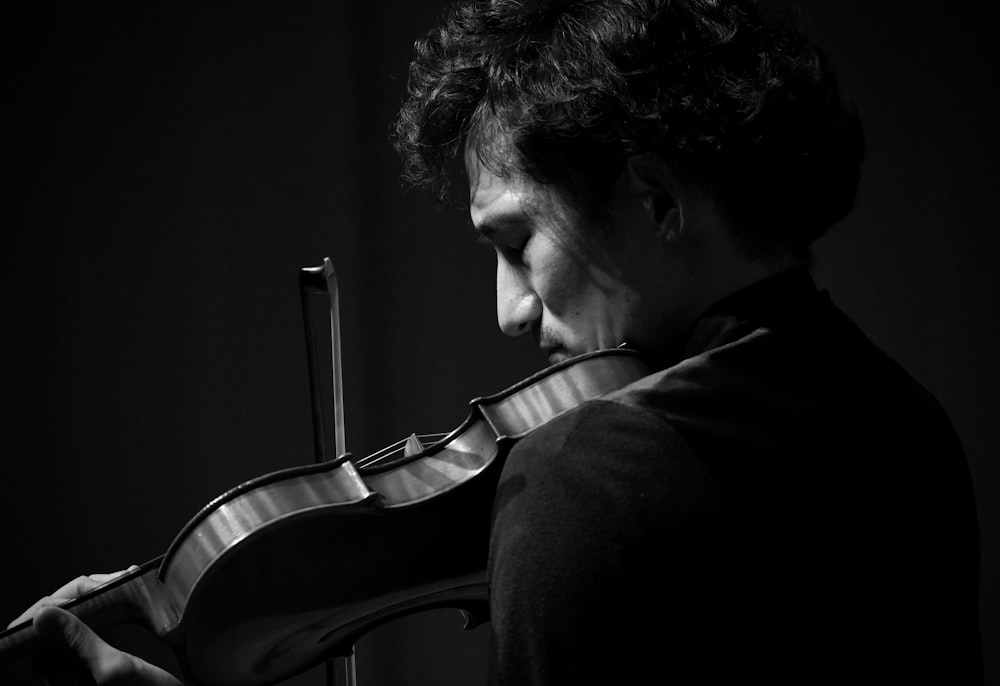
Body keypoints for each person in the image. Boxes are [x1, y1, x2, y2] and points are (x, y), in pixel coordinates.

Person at [11, 0, 983, 683]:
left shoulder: (589, 473)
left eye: (516, 242)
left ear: (651, 198)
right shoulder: (910, 429)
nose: (510, 311)